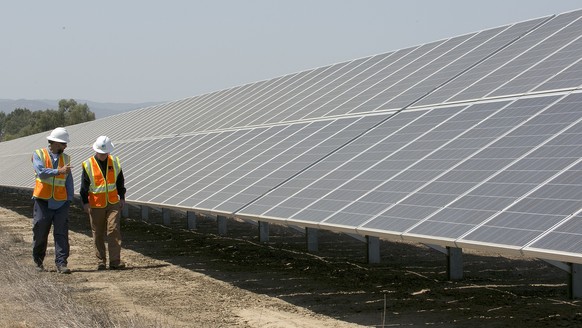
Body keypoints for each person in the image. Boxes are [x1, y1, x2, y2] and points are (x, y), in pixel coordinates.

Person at [80, 136, 127, 270]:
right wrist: (85, 202)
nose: (103, 155)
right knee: (98, 233)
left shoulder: (115, 162)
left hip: (113, 202)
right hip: (96, 204)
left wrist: (122, 197)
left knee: (114, 230)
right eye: (100, 153)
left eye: (105, 153)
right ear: (96, 151)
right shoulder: (88, 164)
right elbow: (84, 186)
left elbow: (120, 181)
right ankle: (101, 261)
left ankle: (115, 261)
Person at [31, 127, 74, 274]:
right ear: (55, 143)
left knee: (61, 233)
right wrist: (58, 171)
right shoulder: (39, 154)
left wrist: (69, 199)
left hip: (61, 203)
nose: (65, 146)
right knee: (40, 232)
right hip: (43, 201)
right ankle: (38, 262)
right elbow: (41, 173)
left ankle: (61, 264)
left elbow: (69, 181)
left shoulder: (66, 158)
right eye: (63, 144)